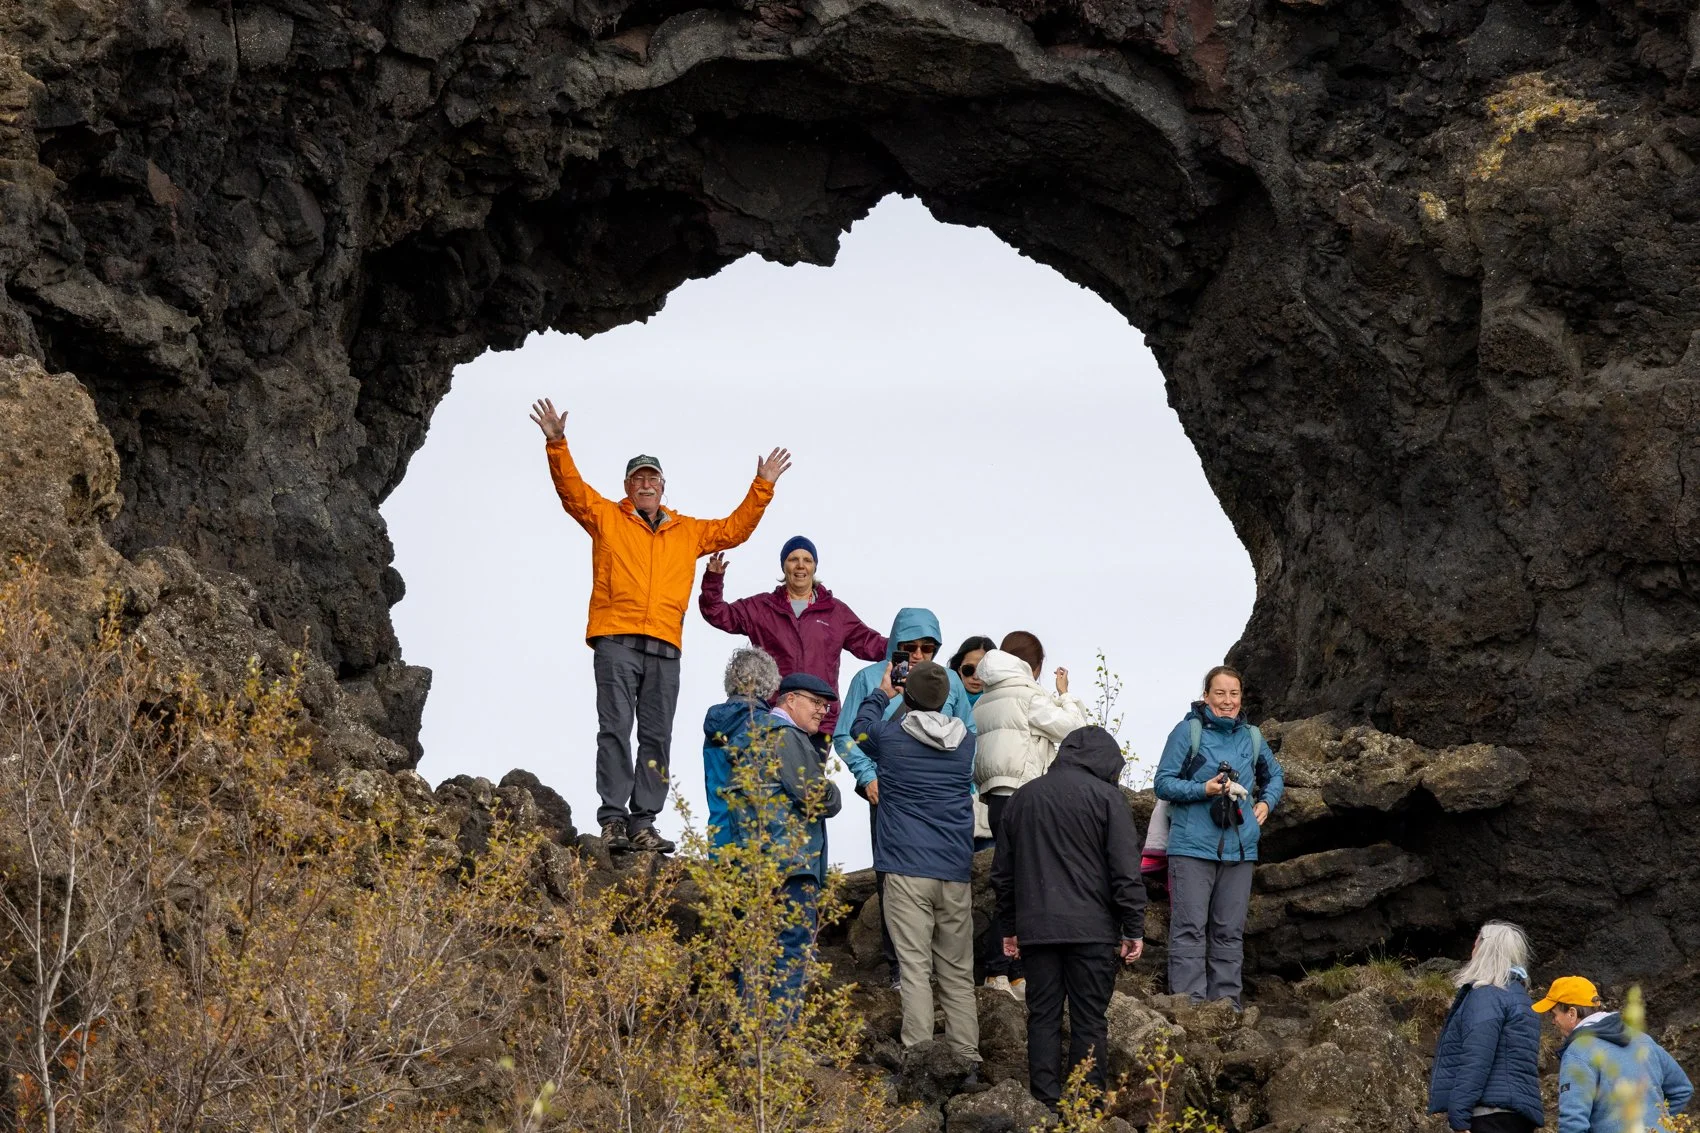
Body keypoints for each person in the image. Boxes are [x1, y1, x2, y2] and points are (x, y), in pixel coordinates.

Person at [529, 396, 792, 854]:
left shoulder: (686, 530)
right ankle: (613, 819)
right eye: (638, 477)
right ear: (627, 486)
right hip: (615, 637)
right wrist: (557, 442)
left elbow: (734, 529)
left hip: (665, 644)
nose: (646, 484)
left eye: (653, 477)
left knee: (656, 734)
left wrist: (762, 485)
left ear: (663, 487)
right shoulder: (607, 516)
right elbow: (571, 488)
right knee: (614, 728)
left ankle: (643, 821)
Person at [991, 725, 1146, 1112]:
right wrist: (1134, 927)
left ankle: (1044, 1103)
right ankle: (1086, 1107)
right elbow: (1125, 870)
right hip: (1092, 930)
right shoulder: (1109, 799)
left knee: (1041, 1015)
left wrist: (1009, 928)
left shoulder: (1023, 799)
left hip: (1037, 930)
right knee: (1089, 1019)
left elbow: (1003, 875)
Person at [835, 609, 977, 987]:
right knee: (891, 877)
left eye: (927, 647)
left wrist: (966, 785)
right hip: (887, 793)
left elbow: (969, 730)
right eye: (909, 647)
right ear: (894, 645)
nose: (917, 655)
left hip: (940, 799)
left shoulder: (947, 681)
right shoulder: (868, 678)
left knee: (945, 878)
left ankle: (941, 967)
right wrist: (867, 777)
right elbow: (846, 734)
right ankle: (899, 965)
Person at [852, 660, 980, 1066]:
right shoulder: (967, 744)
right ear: (946, 698)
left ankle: (920, 1060)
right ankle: (967, 1059)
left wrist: (882, 693)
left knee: (915, 969)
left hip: (906, 868)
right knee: (958, 972)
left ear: (907, 695)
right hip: (954, 871)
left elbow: (859, 728)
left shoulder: (890, 737)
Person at [1152, 665, 1283, 1007]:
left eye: (1234, 694)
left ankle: (1226, 1006)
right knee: (1189, 929)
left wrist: (1266, 804)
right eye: (1220, 693)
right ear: (1206, 696)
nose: (1227, 701)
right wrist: (1204, 789)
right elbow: (1163, 783)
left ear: (1242, 697)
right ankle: (1189, 1006)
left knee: (1229, 932)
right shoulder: (1188, 732)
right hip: (1192, 847)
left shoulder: (1252, 737)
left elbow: (1275, 777)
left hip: (1240, 848)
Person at [972, 632, 1089, 999]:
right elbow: (1076, 730)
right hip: (1024, 794)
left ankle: (1015, 971)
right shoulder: (1028, 694)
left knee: (1012, 881)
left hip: (994, 798)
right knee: (1024, 885)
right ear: (1034, 666)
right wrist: (1065, 693)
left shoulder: (985, 696)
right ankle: (996, 970)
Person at [724, 672, 844, 1014]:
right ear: (790, 699)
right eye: (816, 702)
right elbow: (817, 797)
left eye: (826, 705)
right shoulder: (786, 737)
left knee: (755, 956)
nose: (822, 711)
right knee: (791, 954)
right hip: (790, 866)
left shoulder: (750, 737)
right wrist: (832, 790)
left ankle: (750, 1044)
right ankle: (778, 1045)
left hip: (754, 867)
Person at [699, 535, 887, 750]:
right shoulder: (762, 607)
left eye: (807, 560)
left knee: (810, 783)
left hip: (819, 719)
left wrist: (907, 645)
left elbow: (870, 643)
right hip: (774, 715)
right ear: (783, 566)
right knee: (774, 781)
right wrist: (713, 580)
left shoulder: (836, 612)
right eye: (793, 559)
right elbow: (717, 613)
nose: (800, 566)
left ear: (815, 567)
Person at [1535, 975, 1693, 1133]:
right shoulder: (1643, 1040)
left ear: (1572, 1013)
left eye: (1554, 1014)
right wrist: (1658, 1124)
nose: (1553, 1021)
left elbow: (1573, 1123)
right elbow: (1683, 1089)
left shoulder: (1578, 1053)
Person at [1427, 921, 1544, 1133]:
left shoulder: (1487, 995)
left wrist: (1459, 1115)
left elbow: (1477, 1058)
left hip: (1488, 1117)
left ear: (1485, 949)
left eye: (1476, 943)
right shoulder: (1523, 999)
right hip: (1519, 1116)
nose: (1472, 949)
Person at [702, 647, 781, 852]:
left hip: (720, 842)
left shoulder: (715, 723)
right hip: (751, 846)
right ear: (769, 682)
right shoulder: (764, 723)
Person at [948, 635, 997, 706]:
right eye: (968, 669)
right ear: (959, 669)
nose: (976, 677)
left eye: (982, 670)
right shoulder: (940, 699)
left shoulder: (1005, 702)